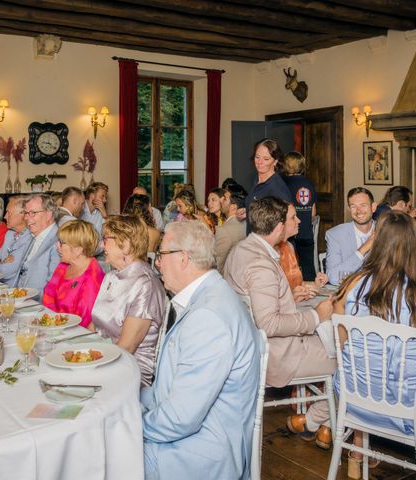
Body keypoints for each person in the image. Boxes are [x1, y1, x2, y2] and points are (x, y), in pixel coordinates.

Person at [334, 211, 416, 480]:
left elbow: (343, 348)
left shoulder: (351, 286)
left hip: (356, 401)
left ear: (377, 242)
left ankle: (357, 452)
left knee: (367, 372)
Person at [142, 220, 260, 479]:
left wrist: (129, 426)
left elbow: (181, 419)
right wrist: (131, 399)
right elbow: (171, 390)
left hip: (199, 453)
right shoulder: (209, 296)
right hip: (192, 437)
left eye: (161, 254)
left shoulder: (208, 316)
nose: (157, 263)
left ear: (183, 258)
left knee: (99, 456)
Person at [224, 196, 335, 449]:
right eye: (292, 218)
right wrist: (317, 316)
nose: (298, 221)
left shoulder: (241, 249)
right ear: (277, 227)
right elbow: (269, 324)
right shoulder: (261, 264)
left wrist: (289, 298)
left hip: (251, 348)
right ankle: (318, 421)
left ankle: (312, 420)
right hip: (277, 356)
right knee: (354, 361)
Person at [91, 215, 165, 386]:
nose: (102, 245)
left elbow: (126, 348)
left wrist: (89, 364)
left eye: (106, 239)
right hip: (103, 356)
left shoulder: (146, 284)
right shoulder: (111, 276)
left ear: (125, 245)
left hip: (131, 369)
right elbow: (94, 325)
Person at [43, 220, 104, 328]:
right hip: (53, 327)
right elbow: (48, 295)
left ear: (78, 250)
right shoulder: (64, 266)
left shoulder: (93, 277)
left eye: (61, 243)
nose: (57, 246)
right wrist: (48, 322)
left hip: (74, 335)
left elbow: (83, 321)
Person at [325, 187, 377, 285]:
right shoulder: (335, 235)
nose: (358, 211)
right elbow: (333, 277)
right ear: (349, 209)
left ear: (373, 207)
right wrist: (364, 248)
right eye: (353, 206)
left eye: (363, 205)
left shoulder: (386, 232)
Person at [281, 151, 317, 280]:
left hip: (289, 234)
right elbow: (313, 213)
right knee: (308, 268)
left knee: (287, 268)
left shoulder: (283, 183)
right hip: (306, 232)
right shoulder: (309, 183)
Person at [17, 193, 60, 300]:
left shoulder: (58, 241)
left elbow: (54, 287)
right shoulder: (33, 236)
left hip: (39, 307)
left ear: (49, 214)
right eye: (26, 213)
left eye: (32, 213)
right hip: (21, 300)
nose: (26, 218)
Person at [0, 195, 33, 285]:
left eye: (8, 212)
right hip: (0, 287)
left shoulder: (30, 238)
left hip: (16, 292)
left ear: (23, 214)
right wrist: (0, 263)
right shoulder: (9, 234)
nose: (5, 217)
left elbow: (6, 272)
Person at [245, 139, 291, 220]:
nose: (259, 162)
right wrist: (248, 212)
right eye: (257, 157)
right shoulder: (257, 180)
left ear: (275, 161)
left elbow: (286, 221)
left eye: (266, 159)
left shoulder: (277, 188)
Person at [214, 184, 247, 273]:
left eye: (224, 199)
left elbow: (218, 266)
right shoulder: (247, 223)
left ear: (233, 206)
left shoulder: (224, 231)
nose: (221, 201)